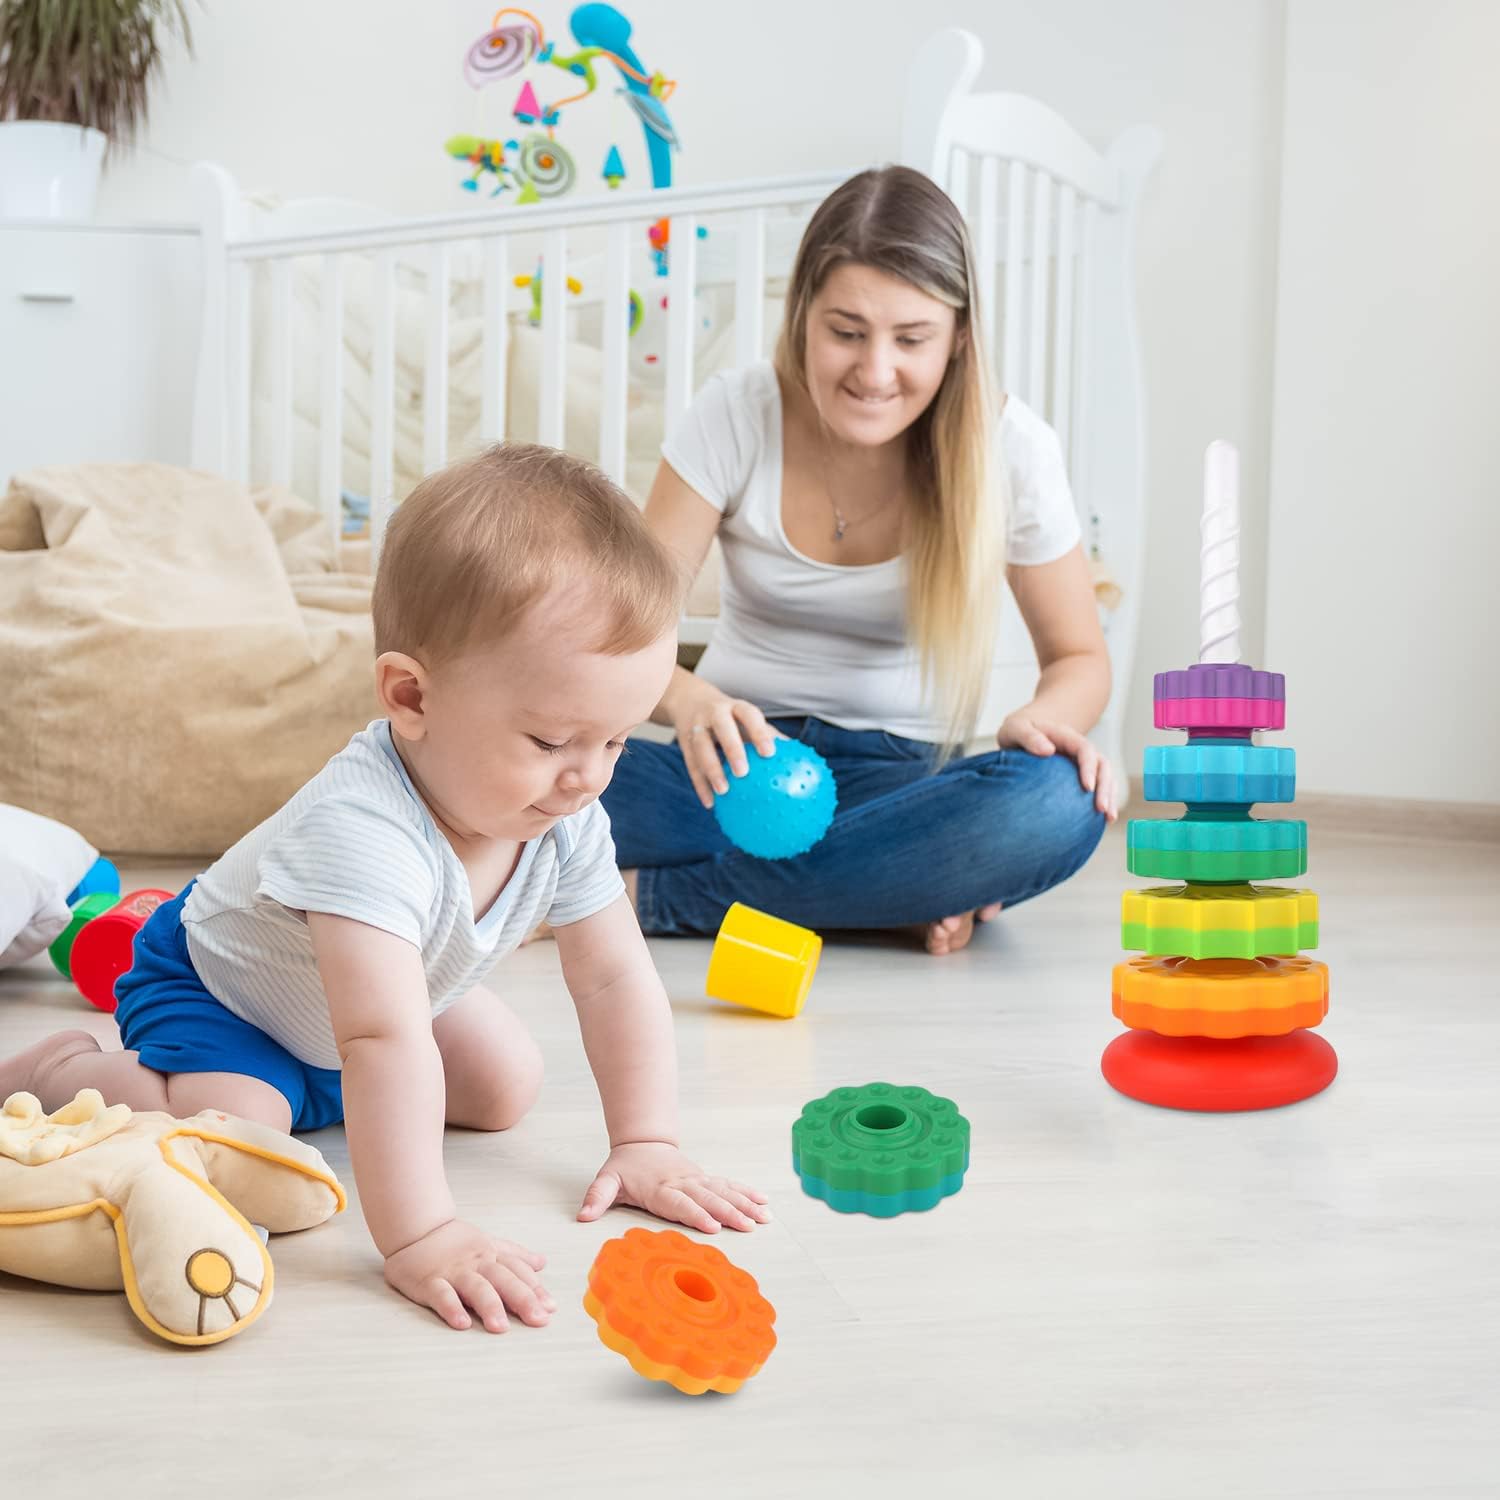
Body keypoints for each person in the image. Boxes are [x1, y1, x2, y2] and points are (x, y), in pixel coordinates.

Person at [0, 444, 769, 1335]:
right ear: (411, 696)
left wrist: (647, 1143)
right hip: (227, 993)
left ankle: (315, 1092)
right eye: (554, 741)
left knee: (506, 1085)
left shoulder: (561, 815)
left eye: (617, 741)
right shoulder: (362, 831)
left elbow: (613, 981)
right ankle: (67, 1066)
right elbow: (380, 1037)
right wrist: (423, 1235)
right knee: (240, 1133)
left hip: (372, 1003)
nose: (587, 779)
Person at [601, 165, 1117, 957]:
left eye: (911, 340)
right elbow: (620, 634)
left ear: (958, 339)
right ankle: (878, 894)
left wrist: (1044, 722)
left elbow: (1081, 657)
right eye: (846, 332)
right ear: (803, 316)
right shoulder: (736, 414)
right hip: (731, 771)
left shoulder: (1013, 449)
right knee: (540, 777)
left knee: (1057, 803)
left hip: (903, 787)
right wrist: (690, 698)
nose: (875, 373)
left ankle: (656, 898)